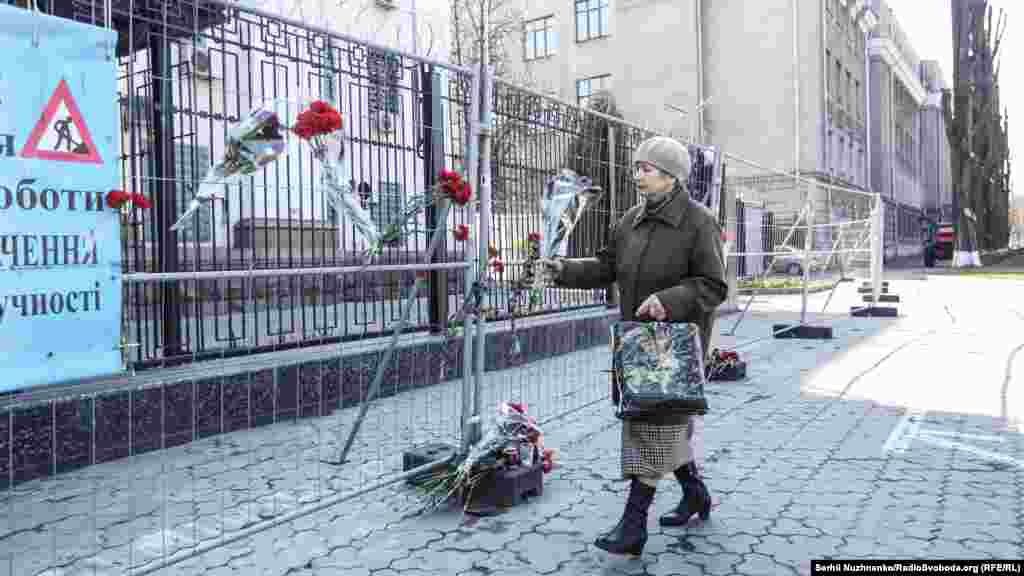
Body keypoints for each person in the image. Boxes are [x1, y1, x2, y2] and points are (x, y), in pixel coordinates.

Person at [539, 136, 728, 556]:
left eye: (647, 168)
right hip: (637, 343)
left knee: (653, 429)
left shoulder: (699, 223)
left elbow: (714, 285)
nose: (637, 174)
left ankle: (633, 525)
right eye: (637, 166)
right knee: (656, 423)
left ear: (672, 176)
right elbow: (606, 266)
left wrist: (669, 300)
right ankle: (695, 494)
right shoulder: (630, 221)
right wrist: (563, 269)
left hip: (675, 348)